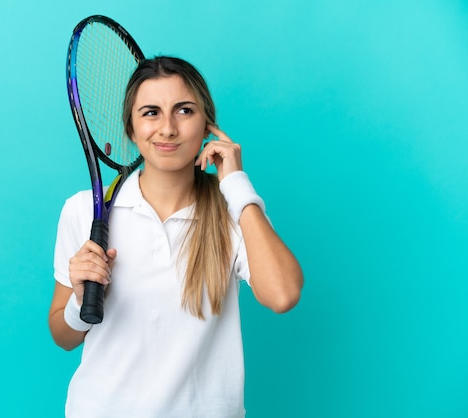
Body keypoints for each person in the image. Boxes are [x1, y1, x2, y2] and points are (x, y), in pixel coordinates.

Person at [49, 56, 303, 418]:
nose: (167, 128)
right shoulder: (84, 210)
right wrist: (80, 300)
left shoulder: (235, 209)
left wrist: (235, 183)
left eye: (184, 111)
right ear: (131, 129)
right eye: (151, 112)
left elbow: (283, 295)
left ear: (207, 127)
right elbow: (63, 336)